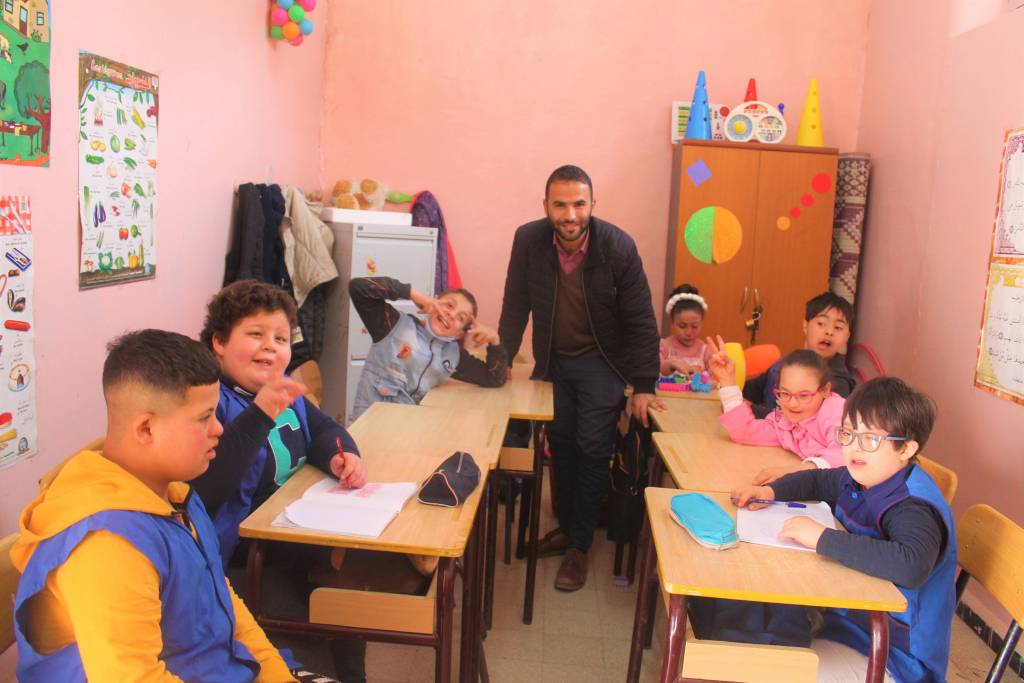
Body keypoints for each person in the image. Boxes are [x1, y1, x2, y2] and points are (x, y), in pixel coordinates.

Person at [10, 330, 336, 682]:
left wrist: (277, 676)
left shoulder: (175, 495)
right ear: (146, 429)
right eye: (204, 417)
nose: (219, 429)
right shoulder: (107, 544)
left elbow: (225, 604)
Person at [193, 280, 369, 681]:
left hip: (297, 536)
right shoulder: (209, 401)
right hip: (245, 559)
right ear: (219, 342)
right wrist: (261, 412)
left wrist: (343, 456)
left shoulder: (283, 389)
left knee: (350, 599)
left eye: (281, 338)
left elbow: (323, 429)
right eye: (255, 334)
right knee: (321, 622)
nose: (270, 347)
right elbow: (210, 486)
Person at [498, 164, 663, 591]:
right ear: (546, 206)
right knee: (561, 446)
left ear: (592, 204)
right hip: (554, 361)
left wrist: (644, 385)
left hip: (602, 362)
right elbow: (515, 302)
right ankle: (569, 529)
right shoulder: (528, 240)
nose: (570, 214)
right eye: (560, 205)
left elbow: (641, 320)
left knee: (592, 448)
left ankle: (579, 547)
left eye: (579, 204)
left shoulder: (618, 247)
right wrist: (502, 359)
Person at [732, 377, 955, 683]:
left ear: (905, 448)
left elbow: (910, 564)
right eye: (848, 433)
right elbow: (818, 480)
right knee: (749, 623)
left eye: (870, 439)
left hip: (894, 658)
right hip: (849, 622)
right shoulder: (864, 476)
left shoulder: (913, 507)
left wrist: (822, 538)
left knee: (770, 669)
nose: (854, 448)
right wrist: (771, 491)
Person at [349, 275, 507, 421]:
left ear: (459, 333)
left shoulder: (452, 356)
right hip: (370, 426)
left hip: (407, 429)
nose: (451, 315)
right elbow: (358, 287)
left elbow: (494, 378)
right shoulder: (393, 325)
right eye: (449, 305)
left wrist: (495, 341)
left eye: (461, 318)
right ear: (433, 301)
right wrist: (411, 293)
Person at [707, 340, 845, 483]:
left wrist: (794, 472)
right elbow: (745, 431)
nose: (792, 404)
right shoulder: (783, 420)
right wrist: (727, 380)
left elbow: (845, 454)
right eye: (785, 393)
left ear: (825, 390)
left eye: (804, 395)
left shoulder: (835, 411)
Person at [744, 291, 857, 418]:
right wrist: (731, 382)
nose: (829, 332)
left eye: (838, 327)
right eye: (821, 324)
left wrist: (749, 408)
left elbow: (802, 422)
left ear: (847, 337)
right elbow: (754, 390)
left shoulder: (838, 383)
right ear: (805, 326)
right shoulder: (786, 363)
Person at [660, 283, 713, 376]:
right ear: (672, 322)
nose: (689, 333)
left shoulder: (705, 351)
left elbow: (714, 377)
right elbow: (657, 367)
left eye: (695, 326)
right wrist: (672, 364)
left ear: (701, 323)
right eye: (682, 326)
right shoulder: (664, 346)